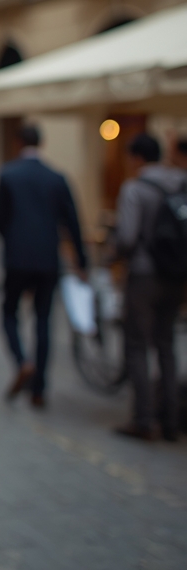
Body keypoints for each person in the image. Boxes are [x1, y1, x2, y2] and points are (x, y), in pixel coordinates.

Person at [0, 124, 88, 408]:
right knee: (44, 319)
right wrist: (81, 261)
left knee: (9, 311)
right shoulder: (57, 177)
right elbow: (73, 222)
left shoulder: (8, 174)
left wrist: (12, 241)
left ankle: (23, 362)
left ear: (18, 142)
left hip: (17, 258)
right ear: (42, 142)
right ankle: (40, 388)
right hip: (48, 258)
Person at [111, 133, 185, 441]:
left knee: (137, 345)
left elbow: (127, 236)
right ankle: (171, 418)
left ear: (137, 158)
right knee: (166, 345)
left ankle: (143, 419)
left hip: (144, 274)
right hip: (178, 275)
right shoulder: (182, 182)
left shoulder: (135, 188)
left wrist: (113, 258)